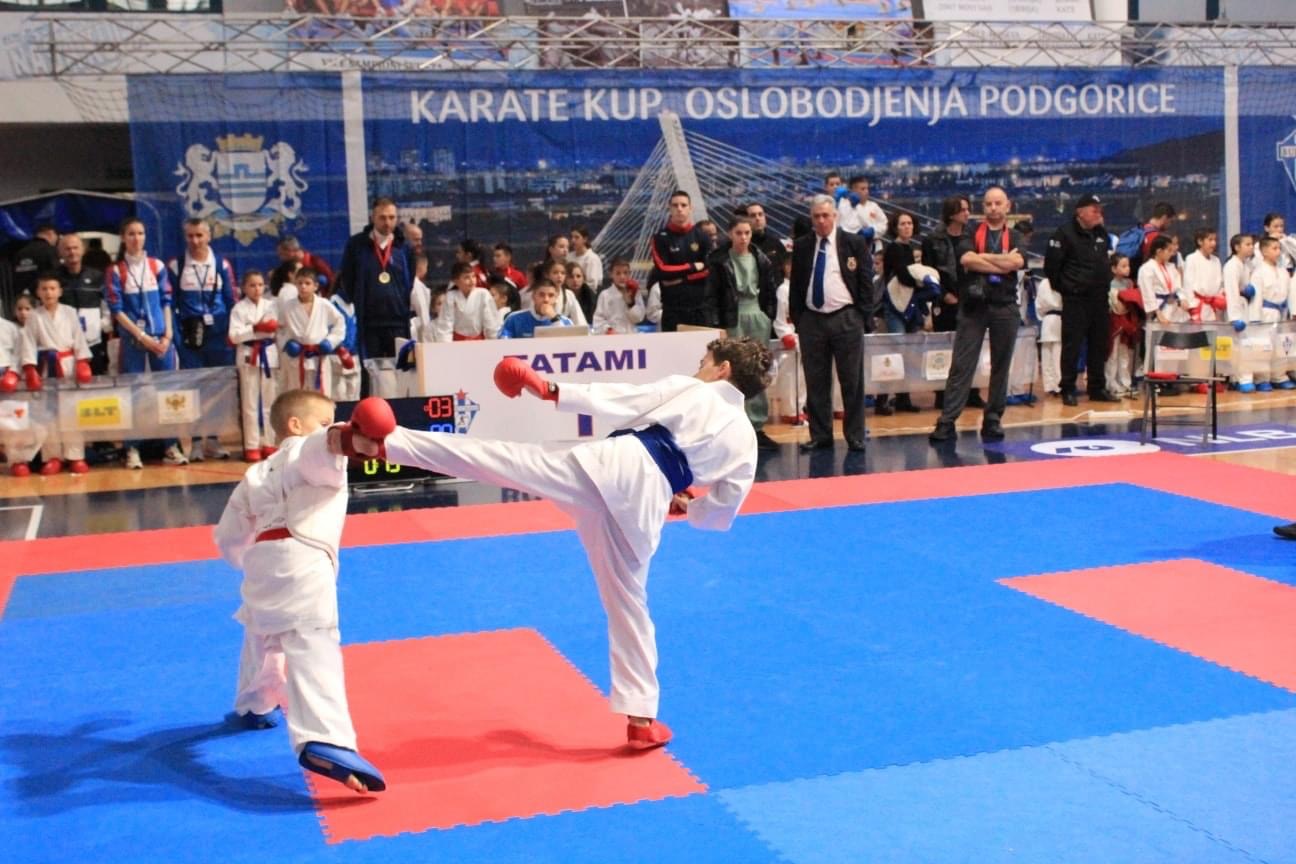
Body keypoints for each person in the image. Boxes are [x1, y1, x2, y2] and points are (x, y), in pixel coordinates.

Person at [333, 337, 772, 748]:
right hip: (645, 503)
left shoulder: (691, 391)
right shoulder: (746, 443)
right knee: (629, 604)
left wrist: (549, 390)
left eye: (704, 364)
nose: (698, 370)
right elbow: (722, 513)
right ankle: (641, 719)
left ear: (723, 370)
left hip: (608, 466)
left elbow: (620, 398)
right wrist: (688, 508)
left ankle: (387, 445)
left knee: (500, 460)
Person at [213, 389, 387, 795]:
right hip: (302, 559)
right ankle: (324, 738)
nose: (330, 426)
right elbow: (322, 448)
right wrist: (348, 437)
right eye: (325, 419)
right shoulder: (309, 450)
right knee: (313, 643)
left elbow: (228, 535)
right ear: (295, 425)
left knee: (262, 632)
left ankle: (254, 705)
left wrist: (244, 560)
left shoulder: (255, 473)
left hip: (261, 559)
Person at [929, 186, 1026, 444]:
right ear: (983, 208)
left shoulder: (1016, 235)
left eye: (998, 203)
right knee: (962, 365)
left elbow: (1018, 263)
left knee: (1001, 366)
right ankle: (947, 421)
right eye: (988, 204)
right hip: (973, 306)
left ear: (1007, 206)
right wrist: (1000, 261)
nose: (993, 208)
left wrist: (984, 259)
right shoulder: (970, 231)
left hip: (1005, 305)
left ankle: (993, 418)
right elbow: (967, 260)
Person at [789, 194, 873, 452]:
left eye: (826, 215)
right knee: (816, 381)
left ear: (834, 216)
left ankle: (855, 435)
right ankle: (820, 435)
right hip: (812, 320)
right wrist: (799, 319)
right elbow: (796, 285)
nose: (822, 220)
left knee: (852, 381)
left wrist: (862, 316)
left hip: (846, 317)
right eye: (816, 216)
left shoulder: (854, 243)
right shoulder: (802, 245)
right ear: (811, 219)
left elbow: (866, 282)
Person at [106, 217, 188, 469]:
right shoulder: (116, 271)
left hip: (161, 340)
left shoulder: (156, 266)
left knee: (169, 394)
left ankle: (171, 446)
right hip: (133, 342)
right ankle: (132, 448)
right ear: (123, 237)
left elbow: (166, 302)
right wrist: (141, 337)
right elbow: (117, 310)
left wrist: (167, 336)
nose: (136, 238)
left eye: (140, 233)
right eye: (131, 233)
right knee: (134, 394)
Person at [170, 218, 237, 461]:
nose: (195, 241)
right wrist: (178, 338)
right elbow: (172, 304)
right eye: (190, 236)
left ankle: (214, 440)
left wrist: (230, 333)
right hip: (190, 339)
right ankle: (196, 441)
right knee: (194, 390)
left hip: (217, 337)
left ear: (209, 236)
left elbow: (231, 302)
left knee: (217, 389)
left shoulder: (221, 265)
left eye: (199, 235)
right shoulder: (177, 266)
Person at [710, 217, 779, 450]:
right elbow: (715, 294)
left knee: (758, 369)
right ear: (730, 233)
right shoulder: (720, 260)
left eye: (747, 232)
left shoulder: (761, 259)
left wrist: (767, 314)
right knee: (734, 371)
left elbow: (769, 288)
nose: (743, 237)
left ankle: (758, 426)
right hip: (733, 316)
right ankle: (734, 424)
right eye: (739, 232)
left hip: (757, 314)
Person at [1044, 193, 1119, 407]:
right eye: (1094, 209)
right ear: (1080, 211)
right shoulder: (1064, 234)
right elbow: (1052, 267)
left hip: (1099, 298)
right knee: (1072, 345)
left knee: (1099, 344)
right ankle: (1067, 388)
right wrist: (1068, 288)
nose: (1099, 213)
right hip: (1076, 299)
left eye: (1099, 209)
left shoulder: (1101, 233)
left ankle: (1097, 387)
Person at [25, 274, 93, 474]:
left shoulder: (70, 313)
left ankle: (75, 456)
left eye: (52, 288)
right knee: (49, 415)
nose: (48, 293)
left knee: (72, 412)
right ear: (38, 292)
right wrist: (30, 369)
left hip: (68, 366)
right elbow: (28, 342)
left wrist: (82, 362)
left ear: (60, 291)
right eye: (44, 289)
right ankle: (53, 457)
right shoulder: (33, 316)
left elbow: (79, 338)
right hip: (46, 366)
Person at [922, 196, 984, 410]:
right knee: (943, 350)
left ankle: (973, 392)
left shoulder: (972, 236)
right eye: (963, 210)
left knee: (971, 347)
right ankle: (942, 394)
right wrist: (943, 295)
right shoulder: (933, 239)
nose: (967, 213)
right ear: (951, 214)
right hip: (945, 301)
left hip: (969, 299)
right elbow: (928, 271)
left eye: (968, 209)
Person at [338, 197, 414, 363]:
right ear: (372, 218)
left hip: (398, 321)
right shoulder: (356, 245)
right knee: (370, 372)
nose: (387, 222)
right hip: (369, 322)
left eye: (392, 217)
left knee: (402, 370)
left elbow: (410, 282)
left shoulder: (403, 247)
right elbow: (348, 277)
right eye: (382, 217)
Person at [878, 211, 936, 414]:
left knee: (908, 353)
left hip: (909, 305)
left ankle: (903, 398)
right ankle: (882, 400)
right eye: (902, 224)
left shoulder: (909, 248)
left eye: (909, 223)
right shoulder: (894, 248)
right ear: (895, 227)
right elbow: (904, 276)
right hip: (895, 306)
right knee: (895, 353)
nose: (907, 227)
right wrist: (924, 283)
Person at [228, 270, 281, 462]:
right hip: (248, 355)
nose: (257, 289)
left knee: (270, 402)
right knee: (250, 404)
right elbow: (234, 336)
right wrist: (255, 329)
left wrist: (273, 328)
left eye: (260, 285)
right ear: (244, 288)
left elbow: (280, 329)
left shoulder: (272, 305)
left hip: (269, 354)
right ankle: (251, 445)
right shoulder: (239, 309)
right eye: (252, 285)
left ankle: (270, 442)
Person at [649, 190, 715, 331]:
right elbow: (663, 271)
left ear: (691, 208)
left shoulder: (702, 237)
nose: (679, 209)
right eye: (675, 205)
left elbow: (710, 269)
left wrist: (682, 279)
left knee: (703, 352)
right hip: (673, 310)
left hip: (700, 308)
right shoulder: (660, 238)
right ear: (669, 208)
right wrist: (692, 267)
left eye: (683, 205)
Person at [280, 267, 349, 396]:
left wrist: (330, 342)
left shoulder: (324, 304)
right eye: (299, 283)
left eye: (307, 283)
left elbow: (340, 323)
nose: (303, 287)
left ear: (316, 286)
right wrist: (286, 343)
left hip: (319, 356)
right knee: (298, 397)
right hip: (298, 357)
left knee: (321, 397)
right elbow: (280, 329)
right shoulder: (288, 306)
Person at [56, 233, 109, 375]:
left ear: (83, 250)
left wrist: (102, 324)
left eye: (75, 248)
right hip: (65, 346)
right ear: (60, 252)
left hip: (93, 343)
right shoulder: (54, 278)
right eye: (67, 249)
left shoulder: (97, 276)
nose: (72, 252)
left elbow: (107, 305)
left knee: (97, 385)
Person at [434, 262, 500, 341]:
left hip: (480, 342)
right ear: (456, 281)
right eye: (466, 277)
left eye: (473, 276)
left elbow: (491, 324)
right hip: (457, 343)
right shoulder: (451, 296)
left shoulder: (483, 294)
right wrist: (447, 348)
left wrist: (493, 341)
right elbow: (445, 325)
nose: (472, 281)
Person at [498, 279, 573, 338]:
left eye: (551, 295)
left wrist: (554, 318)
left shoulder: (566, 322)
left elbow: (567, 346)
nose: (546, 299)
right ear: (533, 296)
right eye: (541, 295)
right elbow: (502, 345)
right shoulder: (513, 319)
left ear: (556, 298)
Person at [593, 258, 646, 335]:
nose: (622, 277)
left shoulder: (635, 292)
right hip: (611, 338)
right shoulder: (604, 295)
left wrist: (630, 304)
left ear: (630, 274)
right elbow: (598, 320)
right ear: (611, 274)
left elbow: (639, 318)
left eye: (625, 273)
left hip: (631, 336)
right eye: (618, 273)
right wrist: (608, 329)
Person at [1183, 228, 1225, 323]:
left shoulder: (1216, 260)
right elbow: (1188, 284)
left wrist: (1219, 299)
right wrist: (1192, 306)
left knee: (1212, 335)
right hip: (1197, 304)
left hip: (1213, 305)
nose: (1213, 243)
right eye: (1210, 240)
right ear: (1200, 241)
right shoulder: (1191, 258)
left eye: (1215, 240)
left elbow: (1220, 283)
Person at [12, 223, 58, 302]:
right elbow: (56, 274)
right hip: (44, 300)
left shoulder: (19, 253)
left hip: (23, 302)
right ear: (50, 233)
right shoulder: (49, 251)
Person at [569, 226, 604, 292]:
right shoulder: (568, 257)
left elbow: (592, 285)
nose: (573, 240)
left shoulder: (592, 258)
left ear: (585, 239)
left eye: (576, 237)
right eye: (571, 237)